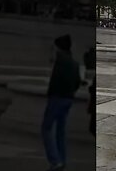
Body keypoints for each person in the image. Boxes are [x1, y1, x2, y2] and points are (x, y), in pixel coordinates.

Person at [42, 35, 82, 171]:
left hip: (56, 98)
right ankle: (62, 160)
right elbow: (77, 82)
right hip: (68, 99)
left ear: (58, 48)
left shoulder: (59, 60)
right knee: (60, 131)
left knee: (46, 128)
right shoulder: (74, 63)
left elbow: (54, 77)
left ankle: (55, 160)